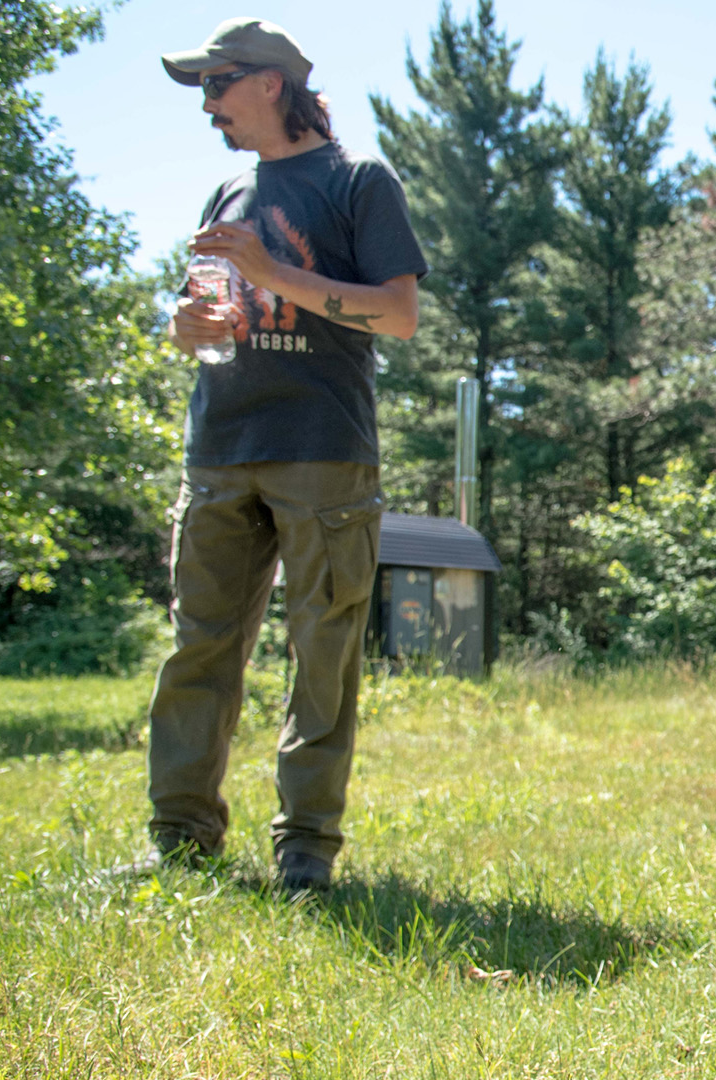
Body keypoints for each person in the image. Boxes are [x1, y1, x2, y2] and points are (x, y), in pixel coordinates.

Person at [140, 17, 427, 892]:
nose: (207, 105)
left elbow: (399, 314)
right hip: (221, 447)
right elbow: (205, 314)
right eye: (200, 90)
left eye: (216, 84)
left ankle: (305, 851)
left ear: (271, 83)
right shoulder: (226, 191)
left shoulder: (359, 181)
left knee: (321, 656)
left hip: (323, 453)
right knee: (199, 649)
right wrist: (186, 327)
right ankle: (181, 844)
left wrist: (274, 275)